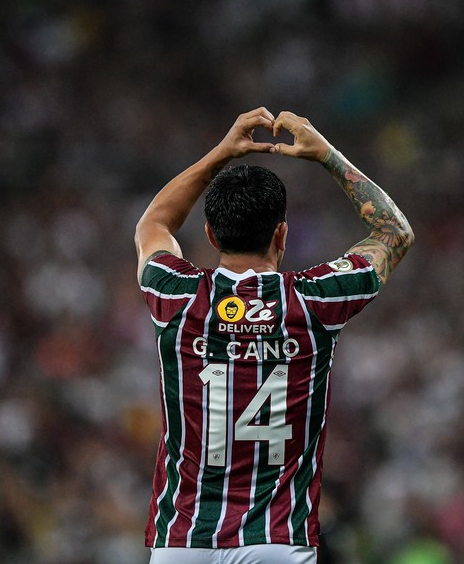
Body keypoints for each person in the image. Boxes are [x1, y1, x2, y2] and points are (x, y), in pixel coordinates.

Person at [135, 108, 414, 564]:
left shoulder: (176, 294)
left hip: (183, 541)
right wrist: (325, 153)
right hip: (278, 539)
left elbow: (154, 224)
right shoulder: (314, 301)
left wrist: (223, 152)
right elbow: (394, 231)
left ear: (209, 233)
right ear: (281, 234)